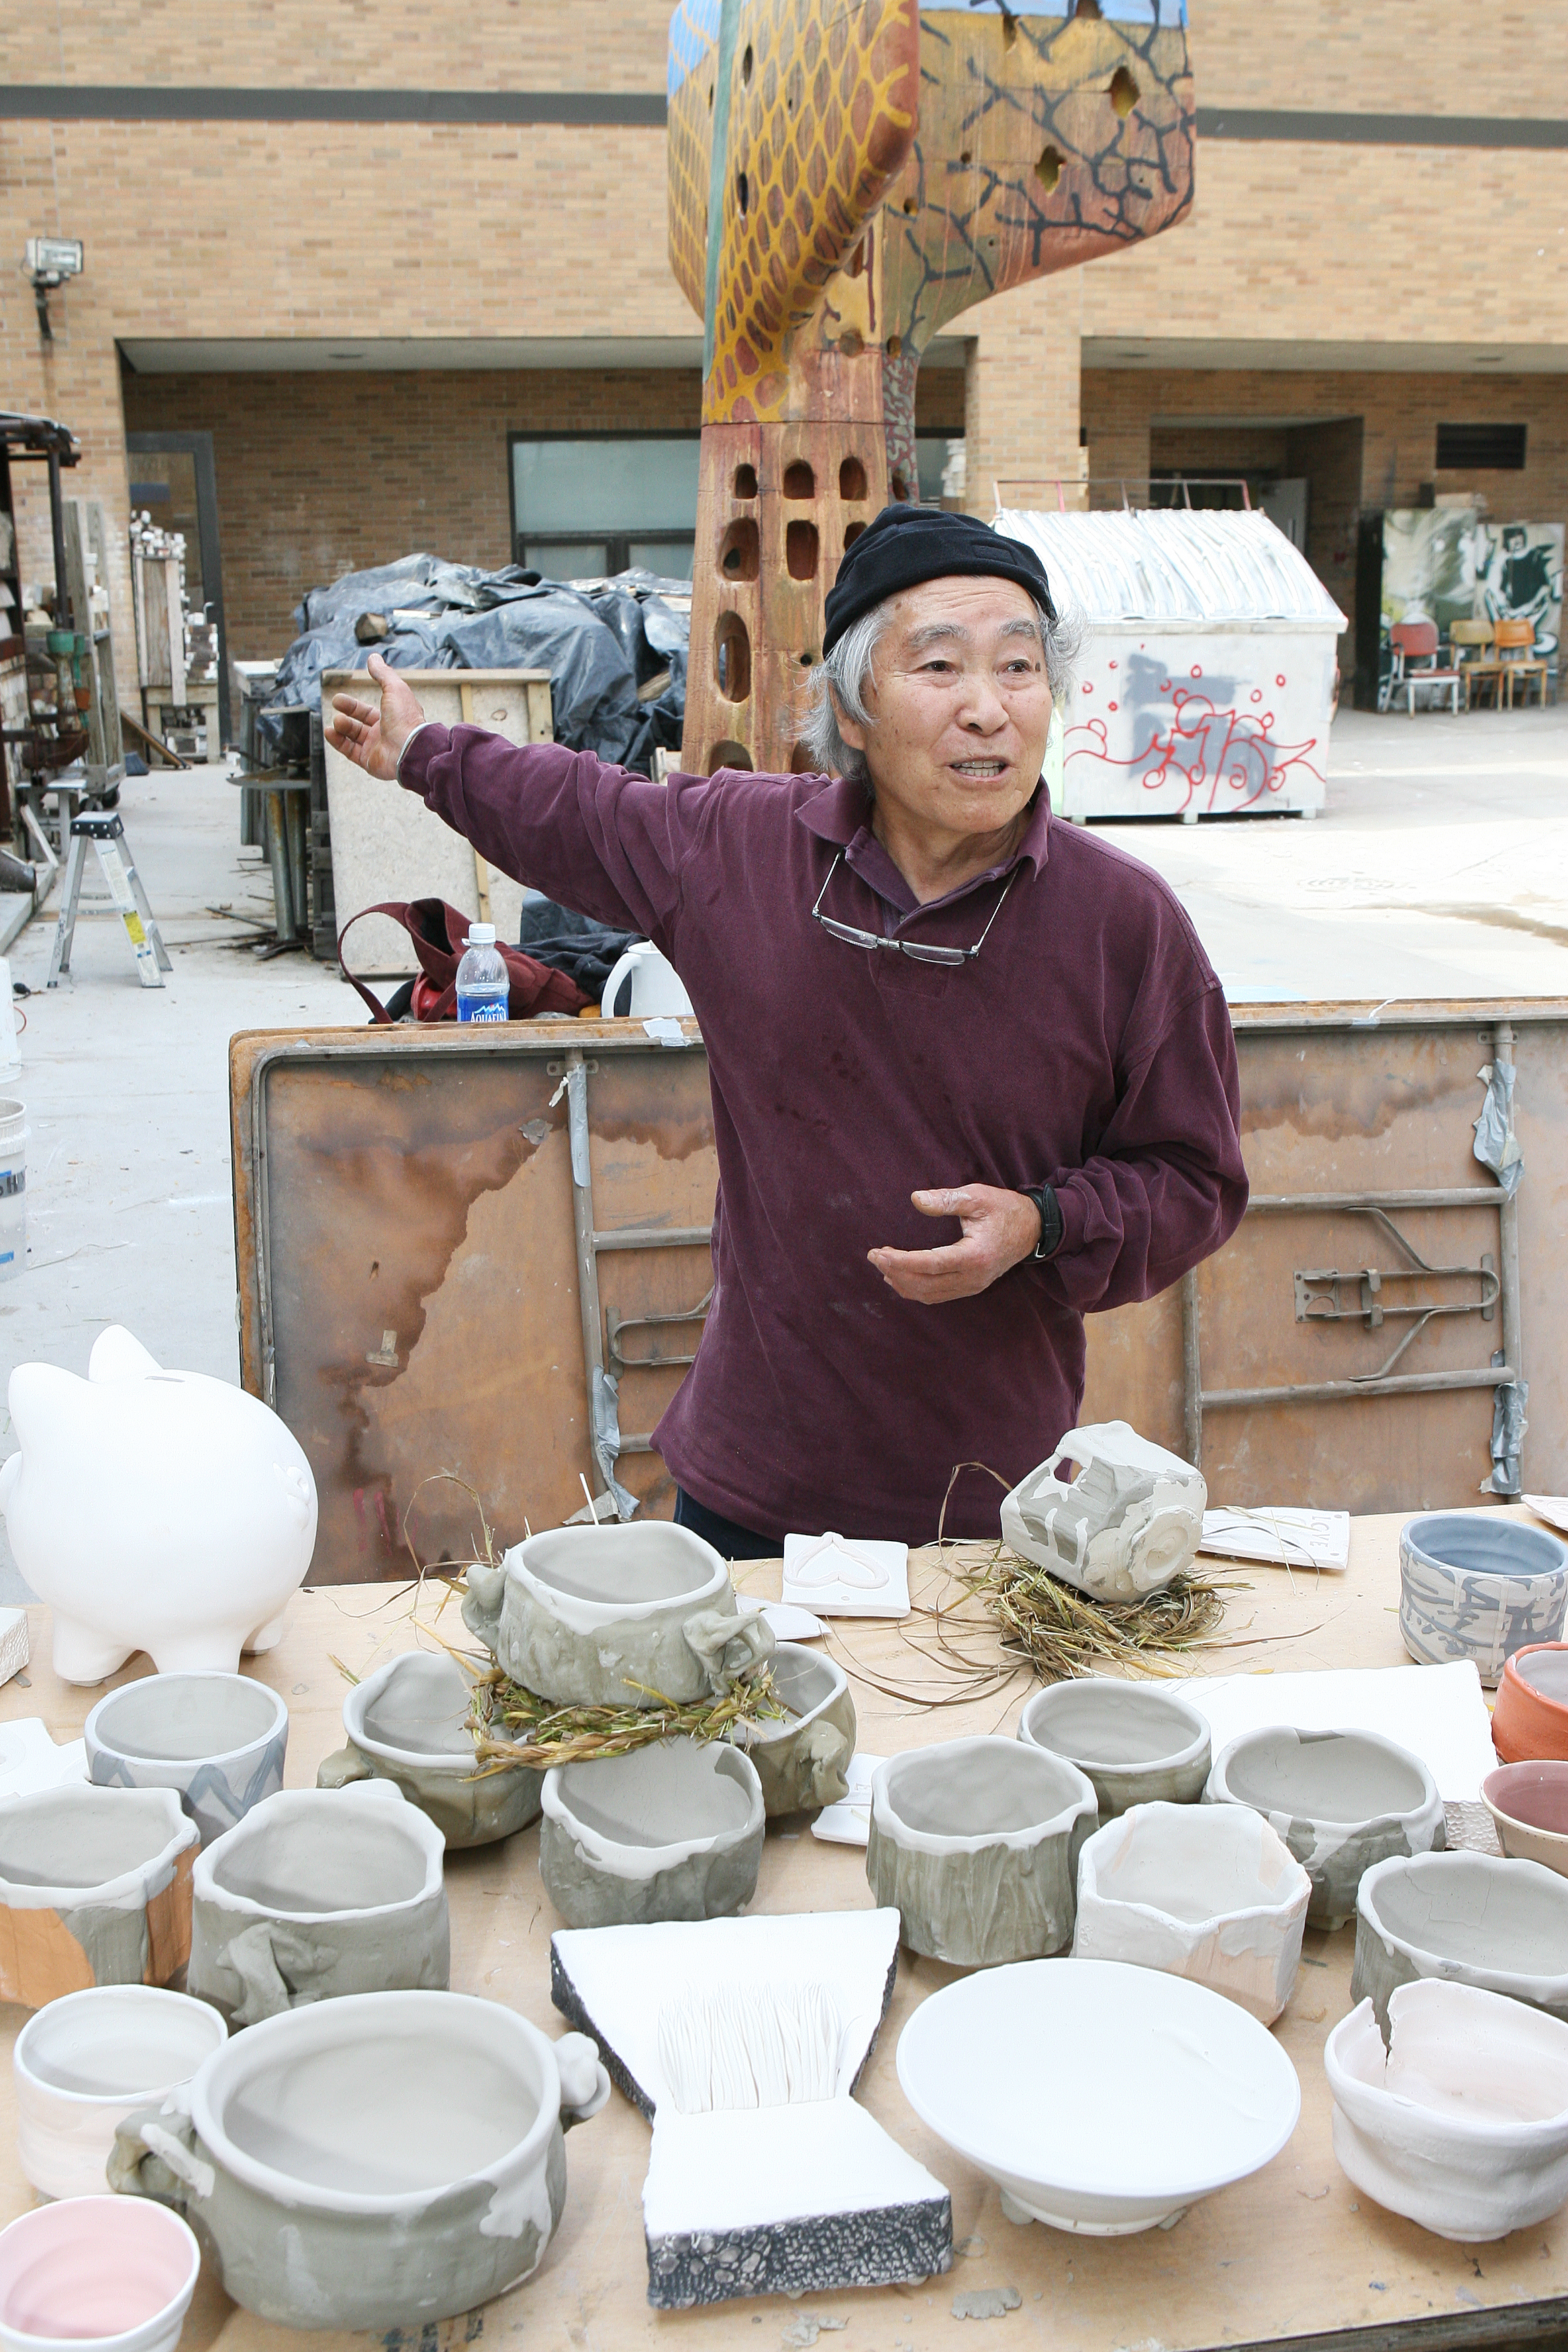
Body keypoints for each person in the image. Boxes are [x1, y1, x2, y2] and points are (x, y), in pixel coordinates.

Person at [326, 505, 1248, 1556]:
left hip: (993, 1498)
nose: (989, 710)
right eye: (940, 667)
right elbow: (577, 809)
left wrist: (1044, 1223)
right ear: (853, 713)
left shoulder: (1123, 923)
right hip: (750, 1482)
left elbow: (1195, 1179)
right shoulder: (744, 851)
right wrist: (426, 753)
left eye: (1020, 668)